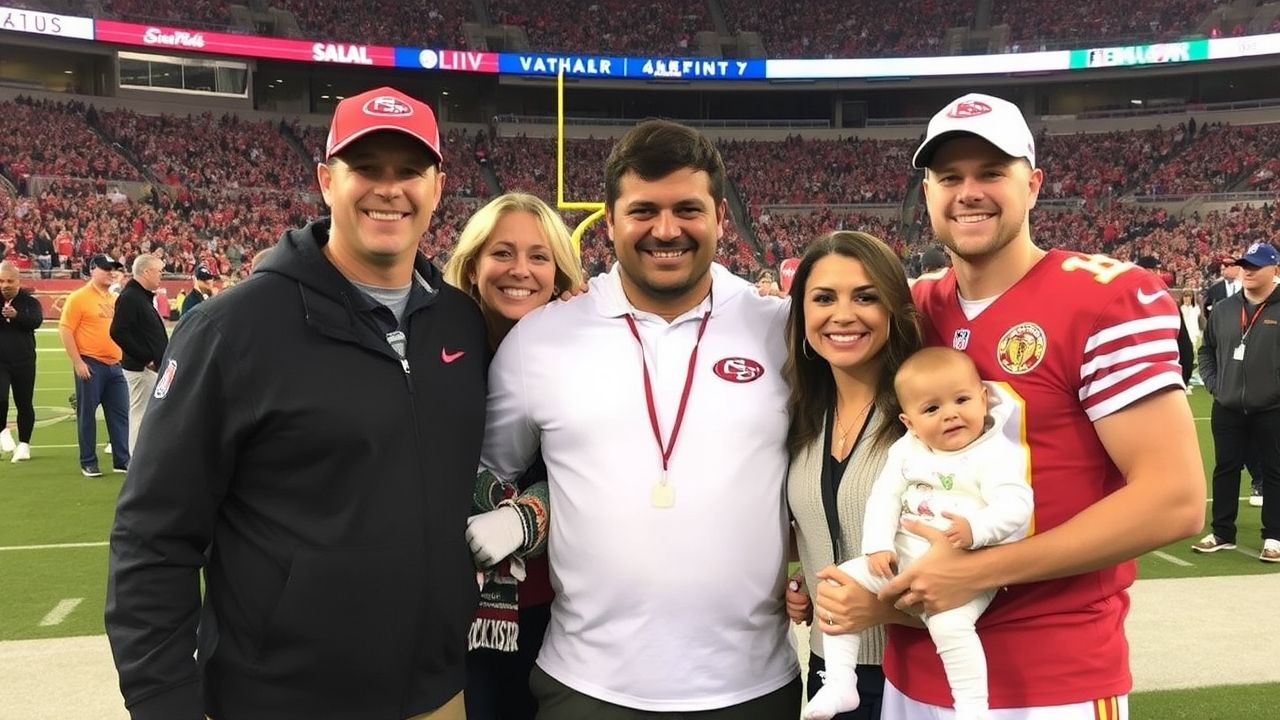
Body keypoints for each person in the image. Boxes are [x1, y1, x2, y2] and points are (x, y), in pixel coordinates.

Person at [105, 86, 488, 720]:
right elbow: (155, 535)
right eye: (367, 168)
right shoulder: (233, 330)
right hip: (284, 697)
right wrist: (163, 698)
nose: (388, 189)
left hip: (437, 691)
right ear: (326, 180)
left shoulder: (458, 322)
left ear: (438, 185)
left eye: (409, 171)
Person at [878, 92, 1203, 719]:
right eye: (950, 177)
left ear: (1033, 183)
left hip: (1052, 678)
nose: (968, 191)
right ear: (927, 194)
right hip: (913, 668)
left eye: (991, 172)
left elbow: (1175, 500)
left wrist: (978, 570)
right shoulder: (911, 310)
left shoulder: (1108, 298)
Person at [478, 119, 801, 718]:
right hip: (586, 684)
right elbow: (489, 476)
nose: (666, 230)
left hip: (751, 686)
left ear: (721, 220)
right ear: (610, 219)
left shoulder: (778, 330)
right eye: (644, 210)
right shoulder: (541, 340)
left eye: (688, 209)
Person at [804, 347, 1032, 720]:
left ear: (984, 398)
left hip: (965, 568)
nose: (950, 414)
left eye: (961, 400)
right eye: (932, 409)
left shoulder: (997, 454)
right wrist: (876, 545)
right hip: (902, 556)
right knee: (838, 584)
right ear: (909, 422)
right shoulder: (907, 449)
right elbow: (884, 495)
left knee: (950, 626)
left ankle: (973, 709)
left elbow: (1017, 506)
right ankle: (840, 683)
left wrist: (975, 529)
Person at [441, 192, 583, 720]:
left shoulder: (587, 349)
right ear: (474, 265)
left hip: (559, 609)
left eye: (539, 256)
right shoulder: (436, 343)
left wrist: (527, 517)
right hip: (445, 602)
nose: (520, 270)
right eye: (502, 253)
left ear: (559, 270)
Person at [782, 230, 924, 720]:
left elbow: (976, 568)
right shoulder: (803, 414)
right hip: (825, 668)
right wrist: (802, 578)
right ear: (802, 315)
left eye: (866, 297)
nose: (843, 314)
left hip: (913, 671)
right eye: (824, 298)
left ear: (892, 309)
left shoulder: (922, 416)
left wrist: (885, 611)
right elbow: (828, 521)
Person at [1192, 241, 1280, 562]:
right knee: (1225, 468)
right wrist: (1216, 385)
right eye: (1245, 264)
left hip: (1272, 408)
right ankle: (1222, 532)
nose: (1248, 271)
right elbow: (1207, 350)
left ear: (1276, 270)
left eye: (1256, 266)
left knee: (1274, 471)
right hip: (1227, 405)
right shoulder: (1227, 309)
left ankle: (1274, 536)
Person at [58, 253, 130, 477]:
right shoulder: (79, 298)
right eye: (105, 268)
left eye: (113, 268)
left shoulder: (113, 298)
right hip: (91, 363)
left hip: (114, 364)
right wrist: (78, 361)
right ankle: (88, 461)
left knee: (120, 414)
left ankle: (122, 459)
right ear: (92, 270)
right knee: (87, 414)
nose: (111, 272)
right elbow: (65, 330)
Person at [109, 254, 169, 456]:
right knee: (140, 414)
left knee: (145, 415)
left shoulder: (138, 296)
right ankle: (136, 461)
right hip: (141, 368)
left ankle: (143, 458)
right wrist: (146, 358)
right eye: (159, 271)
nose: (161, 275)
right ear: (146, 271)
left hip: (147, 367)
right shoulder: (131, 297)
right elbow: (117, 331)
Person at [0, 261, 43, 463]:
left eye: (9, 281)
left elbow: (36, 321)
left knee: (24, 403)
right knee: (0, 397)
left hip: (24, 360)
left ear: (18, 281)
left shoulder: (29, 301)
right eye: (1, 281)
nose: (5, 285)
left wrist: (16, 316)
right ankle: (3, 431)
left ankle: (25, 444)